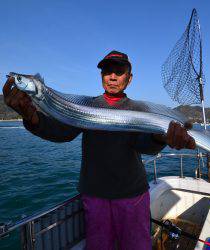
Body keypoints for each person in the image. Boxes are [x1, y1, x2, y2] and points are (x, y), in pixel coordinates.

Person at [3, 50, 195, 250]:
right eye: (107, 71)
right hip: (94, 196)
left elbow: (144, 144)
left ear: (129, 79)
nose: (112, 76)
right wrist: (30, 116)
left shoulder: (140, 110)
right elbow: (62, 132)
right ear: (101, 76)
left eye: (119, 72)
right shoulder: (86, 105)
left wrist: (161, 136)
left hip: (132, 195)